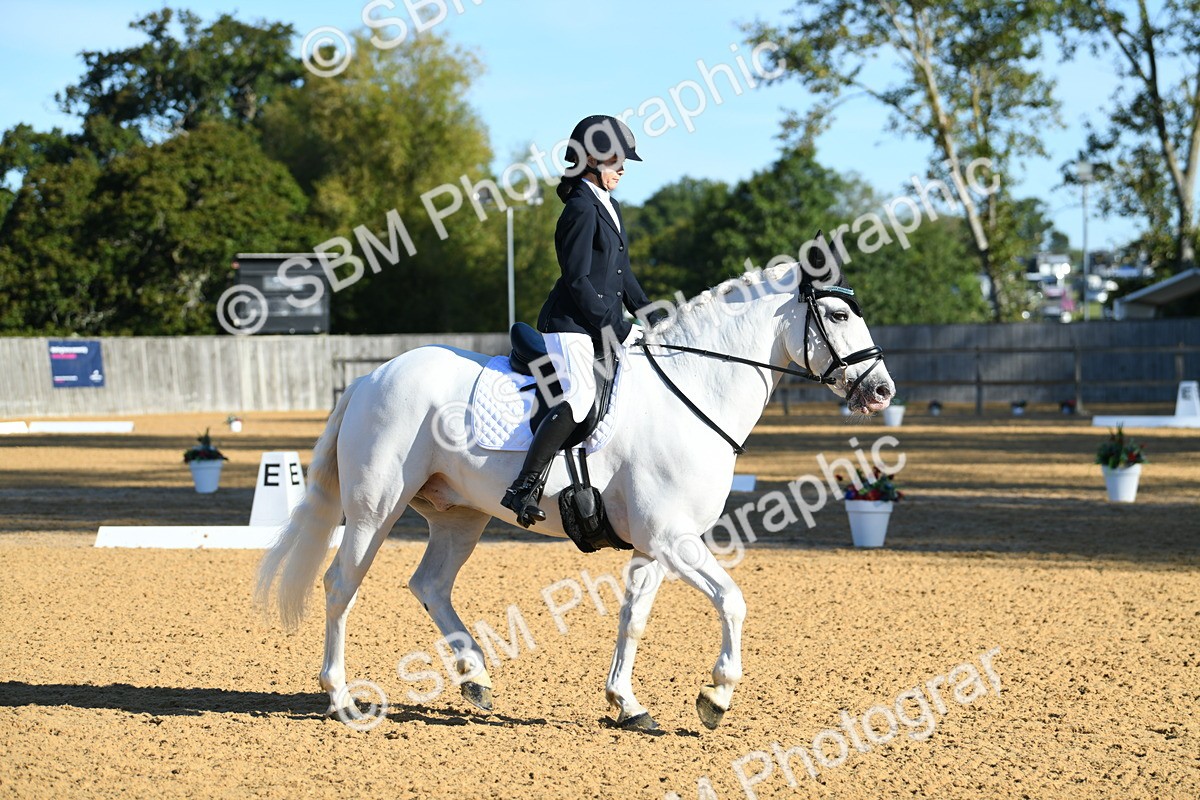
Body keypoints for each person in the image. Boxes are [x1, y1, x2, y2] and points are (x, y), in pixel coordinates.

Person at [500, 114, 659, 528]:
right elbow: (578, 279)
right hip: (569, 323)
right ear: (590, 161)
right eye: (615, 161)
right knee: (579, 396)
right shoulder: (580, 208)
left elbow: (623, 272)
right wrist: (616, 325)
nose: (622, 168)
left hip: (600, 321)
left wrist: (649, 314)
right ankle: (524, 486)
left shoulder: (611, 204)